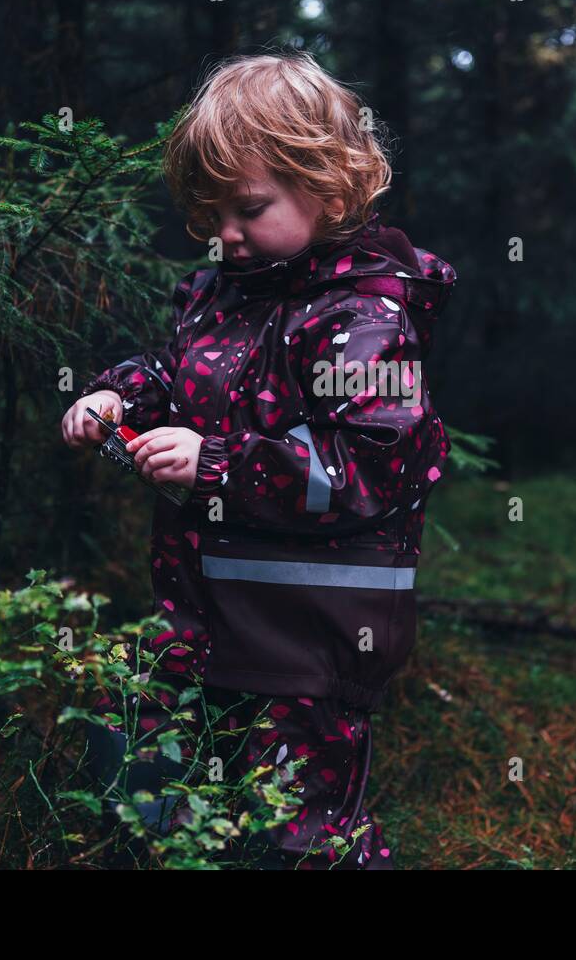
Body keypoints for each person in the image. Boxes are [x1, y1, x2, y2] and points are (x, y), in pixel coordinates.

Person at [61, 50, 457, 869]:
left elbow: (373, 463)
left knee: (294, 830)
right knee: (127, 746)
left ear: (333, 185)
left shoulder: (366, 316)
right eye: (210, 216)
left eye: (247, 208)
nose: (226, 236)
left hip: (311, 638)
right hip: (203, 616)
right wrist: (119, 399)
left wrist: (219, 464)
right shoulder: (223, 292)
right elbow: (177, 375)